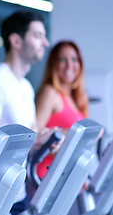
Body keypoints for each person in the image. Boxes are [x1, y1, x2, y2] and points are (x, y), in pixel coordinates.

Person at [0, 10, 61, 215]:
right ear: (16, 41)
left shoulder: (25, 86)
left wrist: (46, 139)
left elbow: (32, 132)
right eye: (38, 36)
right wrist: (33, 141)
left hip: (16, 191)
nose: (45, 43)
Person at [34, 40, 88, 179]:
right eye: (63, 59)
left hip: (65, 176)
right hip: (45, 176)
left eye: (74, 59)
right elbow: (35, 135)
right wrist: (77, 133)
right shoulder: (50, 93)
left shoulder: (77, 98)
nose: (70, 65)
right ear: (54, 64)